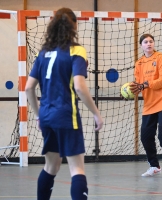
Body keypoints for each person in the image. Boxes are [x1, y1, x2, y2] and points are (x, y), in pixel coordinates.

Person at [25, 7, 103, 200]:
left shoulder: (43, 53)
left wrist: (38, 114)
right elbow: (79, 86)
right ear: (73, 26)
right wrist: (96, 113)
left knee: (51, 166)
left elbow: (28, 88)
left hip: (47, 117)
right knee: (77, 169)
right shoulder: (76, 50)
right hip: (66, 116)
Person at [129, 34, 162, 178]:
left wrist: (146, 84)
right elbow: (138, 86)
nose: (149, 44)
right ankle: (154, 166)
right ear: (141, 45)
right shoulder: (139, 64)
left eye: (151, 41)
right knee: (145, 136)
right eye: (145, 42)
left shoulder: (160, 57)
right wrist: (130, 92)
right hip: (149, 104)